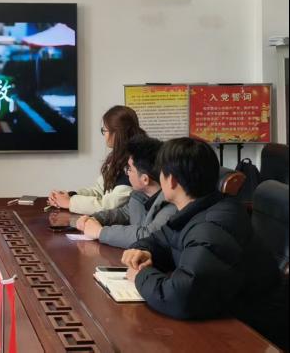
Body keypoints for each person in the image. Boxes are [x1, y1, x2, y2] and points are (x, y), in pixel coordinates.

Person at [122, 137, 287, 349]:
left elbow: (181, 297)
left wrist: (141, 275)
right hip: (223, 315)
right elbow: (161, 239)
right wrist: (143, 250)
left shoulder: (212, 227)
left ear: (171, 181)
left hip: (251, 333)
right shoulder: (198, 208)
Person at [75, 135, 176, 248]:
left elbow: (147, 235)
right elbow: (124, 213)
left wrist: (100, 232)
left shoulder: (171, 204)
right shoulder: (140, 195)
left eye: (129, 169)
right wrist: (94, 218)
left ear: (145, 179)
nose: (126, 172)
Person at [48, 105, 144, 214]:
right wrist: (70, 195)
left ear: (117, 133)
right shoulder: (119, 157)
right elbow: (99, 191)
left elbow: (109, 205)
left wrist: (70, 202)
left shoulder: (135, 163)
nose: (104, 135)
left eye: (105, 130)